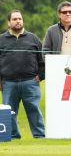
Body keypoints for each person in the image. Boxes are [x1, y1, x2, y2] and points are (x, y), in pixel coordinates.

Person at [0, 10, 45, 139]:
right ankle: (13, 136)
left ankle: (39, 136)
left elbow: (42, 60)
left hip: (30, 82)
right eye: (14, 19)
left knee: (34, 110)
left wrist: (40, 76)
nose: (18, 21)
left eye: (19, 18)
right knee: (10, 112)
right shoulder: (1, 40)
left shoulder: (33, 38)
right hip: (8, 83)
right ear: (9, 23)